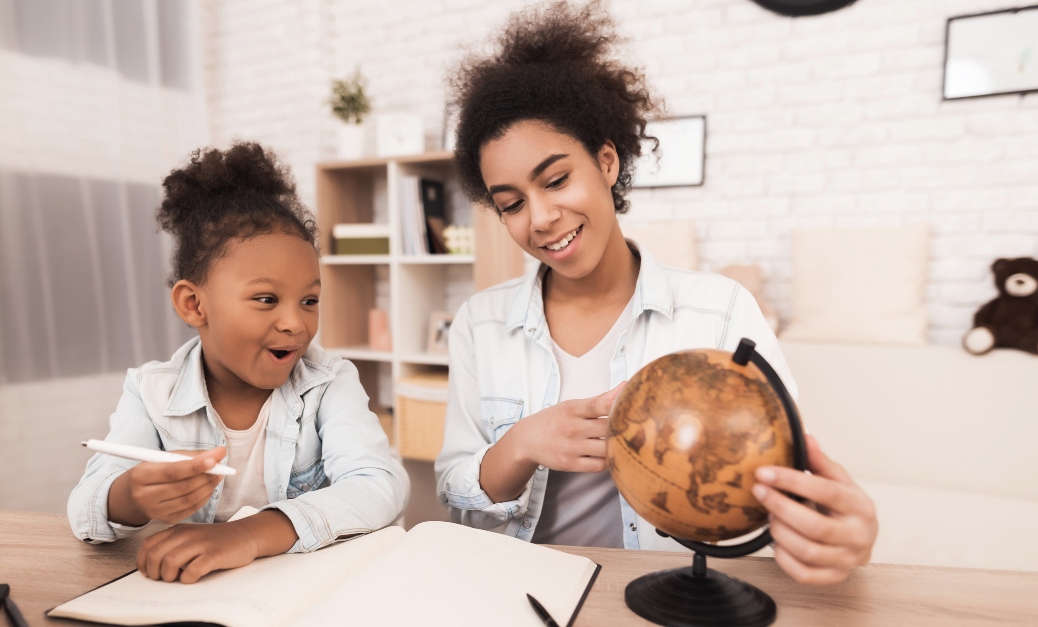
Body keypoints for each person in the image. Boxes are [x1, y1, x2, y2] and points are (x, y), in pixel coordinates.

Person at [434, 1, 877, 585]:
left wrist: (837, 528)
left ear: (607, 161)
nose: (540, 218)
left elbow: (785, 480)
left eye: (557, 179)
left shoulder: (720, 314)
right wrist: (521, 443)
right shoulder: (480, 323)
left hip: (663, 593)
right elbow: (456, 499)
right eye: (512, 204)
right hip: (522, 585)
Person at [68, 142, 407, 583]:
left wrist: (248, 534)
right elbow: (84, 510)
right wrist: (129, 497)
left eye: (310, 300)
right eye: (267, 299)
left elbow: (379, 487)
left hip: (310, 591)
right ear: (193, 304)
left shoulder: (329, 382)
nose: (295, 323)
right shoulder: (151, 391)